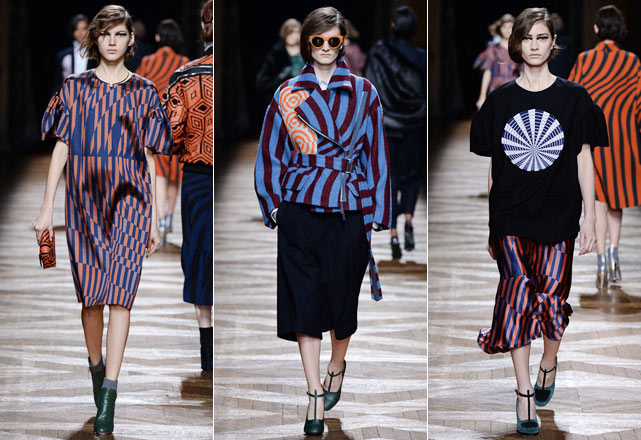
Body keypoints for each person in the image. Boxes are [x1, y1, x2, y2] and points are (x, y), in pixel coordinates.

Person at [33, 5, 172, 435]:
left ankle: (109, 393)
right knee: (92, 298)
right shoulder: (74, 89)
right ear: (95, 39)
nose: (113, 41)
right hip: (84, 203)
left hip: (131, 201)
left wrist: (154, 218)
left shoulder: (145, 92)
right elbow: (61, 146)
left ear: (131, 40)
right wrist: (46, 208)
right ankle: (96, 367)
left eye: (120, 34)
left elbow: (149, 156)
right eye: (105, 34)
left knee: (122, 296)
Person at [470, 8, 608, 435]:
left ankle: (549, 361)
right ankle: (524, 391)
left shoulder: (574, 97)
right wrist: (492, 224)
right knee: (515, 292)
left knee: (551, 298)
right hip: (511, 214)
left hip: (559, 211)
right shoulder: (500, 100)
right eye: (527, 38)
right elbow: (495, 166)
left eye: (542, 37)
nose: (534, 45)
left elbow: (584, 157)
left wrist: (590, 216)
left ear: (553, 44)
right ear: (517, 44)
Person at [254, 6, 390, 435]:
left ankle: (336, 363)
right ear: (306, 42)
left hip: (348, 207)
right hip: (301, 207)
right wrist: (275, 206)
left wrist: (376, 212)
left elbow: (376, 152)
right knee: (305, 300)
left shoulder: (364, 92)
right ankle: (314, 392)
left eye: (334, 40)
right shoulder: (288, 94)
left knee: (343, 300)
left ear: (343, 42)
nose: (327, 47)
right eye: (319, 40)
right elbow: (271, 151)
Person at [569, 5, 641, 289]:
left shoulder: (585, 60)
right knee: (616, 200)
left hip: (595, 140)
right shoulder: (632, 61)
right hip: (623, 140)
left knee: (598, 199)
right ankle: (613, 254)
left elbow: (574, 97)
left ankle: (600, 260)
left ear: (596, 29)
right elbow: (639, 103)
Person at [164, 0, 213, 371]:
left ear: (204, 26)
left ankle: (207, 352)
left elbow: (171, 134)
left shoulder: (185, 75)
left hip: (197, 176)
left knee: (199, 255)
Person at [363, 6, 426, 259]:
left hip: (387, 125)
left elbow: (370, 89)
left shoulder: (379, 54)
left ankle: (394, 234)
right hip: (415, 125)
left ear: (393, 26)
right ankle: (409, 219)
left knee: (390, 179)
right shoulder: (422, 57)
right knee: (412, 177)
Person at [137, 19, 189, 244]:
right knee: (175, 174)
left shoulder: (148, 62)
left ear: (158, 37)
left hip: (155, 125)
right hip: (177, 124)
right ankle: (168, 217)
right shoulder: (184, 63)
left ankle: (159, 218)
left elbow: (139, 93)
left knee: (158, 173)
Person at [474, 14, 521, 110]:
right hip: (496, 89)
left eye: (510, 27)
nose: (507, 30)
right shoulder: (493, 48)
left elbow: (523, 71)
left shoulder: (518, 48)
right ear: (500, 29)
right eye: (504, 27)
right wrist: (482, 97)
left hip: (514, 90)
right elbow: (487, 71)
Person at [255, 18, 305, 107]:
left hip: (305, 97)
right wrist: (280, 77)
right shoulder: (276, 54)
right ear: (284, 33)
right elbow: (263, 82)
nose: (293, 36)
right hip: (282, 100)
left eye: (296, 32)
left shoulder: (308, 52)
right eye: (289, 32)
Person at [54, 14, 98, 91]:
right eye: (77, 29)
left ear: (89, 30)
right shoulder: (63, 55)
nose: (80, 33)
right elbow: (58, 82)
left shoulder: (96, 53)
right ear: (72, 31)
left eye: (83, 29)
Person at [547, 13, 577, 79]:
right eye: (553, 19)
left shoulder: (568, 41)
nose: (555, 21)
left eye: (556, 19)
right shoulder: (544, 41)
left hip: (562, 77)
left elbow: (571, 63)